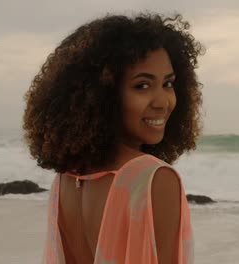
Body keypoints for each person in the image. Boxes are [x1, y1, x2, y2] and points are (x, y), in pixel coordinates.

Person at [22, 12, 204, 264]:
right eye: (142, 86)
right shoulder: (154, 178)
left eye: (168, 84)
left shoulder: (65, 180)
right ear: (103, 95)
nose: (163, 102)